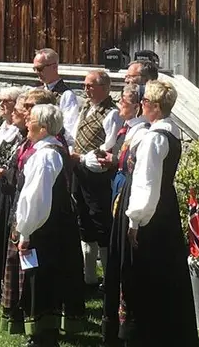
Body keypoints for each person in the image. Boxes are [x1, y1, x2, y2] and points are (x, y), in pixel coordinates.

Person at [102, 79, 198, 347]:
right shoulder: (167, 131)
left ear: (154, 106)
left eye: (144, 102)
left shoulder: (155, 138)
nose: (141, 105)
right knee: (162, 270)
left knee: (141, 270)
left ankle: (140, 332)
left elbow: (146, 181)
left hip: (149, 214)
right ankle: (162, 329)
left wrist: (135, 220)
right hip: (163, 208)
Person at [14, 103, 87, 347]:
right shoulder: (52, 151)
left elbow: (36, 197)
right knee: (49, 277)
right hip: (55, 225)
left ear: (43, 128)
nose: (27, 123)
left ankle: (43, 336)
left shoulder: (46, 155)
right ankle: (44, 334)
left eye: (31, 120)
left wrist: (25, 231)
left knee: (42, 278)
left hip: (45, 227)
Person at [69, 70, 117, 287]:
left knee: (100, 220)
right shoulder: (86, 107)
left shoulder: (111, 113)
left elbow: (109, 146)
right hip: (80, 171)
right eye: (85, 85)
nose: (86, 89)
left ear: (104, 87)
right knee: (83, 219)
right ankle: (89, 276)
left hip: (98, 174)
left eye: (90, 85)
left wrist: (82, 156)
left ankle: (108, 278)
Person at [0, 87, 27, 300]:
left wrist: (5, 173)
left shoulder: (20, 133)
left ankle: (5, 285)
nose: (1, 105)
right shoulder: (3, 128)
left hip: (10, 186)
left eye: (6, 101)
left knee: (7, 234)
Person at [32, 48, 79, 139]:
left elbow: (69, 127)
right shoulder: (36, 92)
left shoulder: (66, 95)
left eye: (40, 68)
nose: (37, 72)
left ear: (54, 67)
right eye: (35, 68)